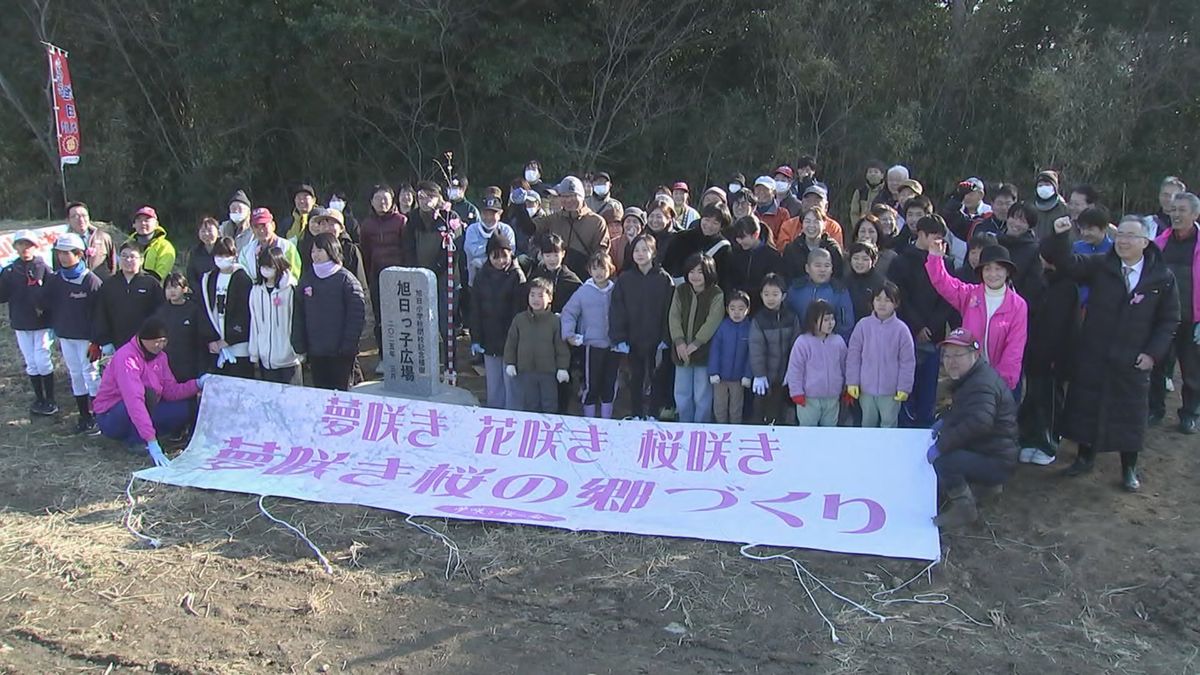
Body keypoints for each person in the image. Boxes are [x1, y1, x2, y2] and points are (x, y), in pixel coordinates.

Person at [1041, 215, 1180, 491]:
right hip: (1095, 352)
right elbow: (1068, 264)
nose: (1123, 241)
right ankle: (1084, 457)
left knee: (1130, 415)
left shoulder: (1161, 276)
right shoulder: (1102, 266)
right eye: (1120, 235)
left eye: (1131, 236)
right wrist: (1060, 237)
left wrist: (1153, 353)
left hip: (1134, 359)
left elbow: (1169, 320)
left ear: (1145, 241)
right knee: (1086, 408)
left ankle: (1129, 468)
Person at [925, 327, 1019, 527]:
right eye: (947, 355)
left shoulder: (981, 385)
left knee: (945, 461)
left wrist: (942, 446)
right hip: (992, 450)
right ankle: (987, 487)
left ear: (975, 354)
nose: (951, 361)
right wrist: (946, 421)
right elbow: (966, 413)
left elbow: (979, 422)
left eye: (958, 355)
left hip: (997, 459)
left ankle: (964, 509)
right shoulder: (972, 378)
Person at [94, 317, 207, 464]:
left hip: (146, 409)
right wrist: (151, 440)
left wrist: (198, 384)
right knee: (147, 395)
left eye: (164, 341)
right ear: (143, 339)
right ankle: (137, 440)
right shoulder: (127, 358)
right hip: (113, 414)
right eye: (156, 341)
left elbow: (170, 390)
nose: (160, 345)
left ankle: (146, 433)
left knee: (186, 408)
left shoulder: (161, 357)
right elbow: (134, 400)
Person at [926, 242, 1028, 394]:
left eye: (998, 269)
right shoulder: (970, 295)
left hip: (1001, 384)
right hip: (969, 376)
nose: (993, 274)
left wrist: (999, 383)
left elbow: (1014, 349)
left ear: (1007, 272)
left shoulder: (1018, 305)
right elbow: (944, 283)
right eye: (987, 269)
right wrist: (935, 257)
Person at [887, 215, 956, 428]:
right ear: (922, 235)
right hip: (905, 334)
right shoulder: (901, 261)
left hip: (934, 336)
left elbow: (948, 298)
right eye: (935, 238)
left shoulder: (947, 263)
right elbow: (900, 298)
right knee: (905, 389)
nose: (939, 243)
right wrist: (917, 326)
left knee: (928, 391)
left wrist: (932, 326)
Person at [1017, 249, 1079, 466]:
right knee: (1033, 396)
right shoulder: (1038, 283)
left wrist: (1060, 357)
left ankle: (1048, 443)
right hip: (1034, 352)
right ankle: (1028, 440)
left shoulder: (1069, 287)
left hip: (1055, 357)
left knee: (1051, 400)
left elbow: (1069, 328)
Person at [1149, 191, 1200, 434]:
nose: (1176, 215)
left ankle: (1189, 414)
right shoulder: (1160, 243)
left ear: (1195, 214)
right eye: (1173, 210)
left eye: (1182, 210)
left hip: (1193, 319)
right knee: (1156, 364)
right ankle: (1154, 409)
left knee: (1192, 370)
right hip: (1163, 318)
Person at [43, 233, 105, 432]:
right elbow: (47, 304)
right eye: (59, 253)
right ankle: (84, 416)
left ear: (79, 254)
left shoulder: (91, 281)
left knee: (91, 374)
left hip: (87, 339)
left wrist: (96, 341)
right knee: (75, 374)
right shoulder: (55, 279)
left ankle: (99, 416)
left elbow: (100, 314)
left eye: (66, 253)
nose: (61, 257)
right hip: (65, 335)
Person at [609, 235, 674, 420]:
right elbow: (617, 309)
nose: (640, 254)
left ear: (653, 253)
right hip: (633, 337)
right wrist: (619, 337)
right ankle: (636, 413)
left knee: (656, 377)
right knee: (635, 377)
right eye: (637, 250)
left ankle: (653, 413)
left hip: (657, 338)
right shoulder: (625, 279)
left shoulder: (663, 279)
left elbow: (670, 311)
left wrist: (666, 337)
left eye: (645, 249)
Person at [293, 232, 367, 391]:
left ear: (331, 251)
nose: (315, 255)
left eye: (320, 250)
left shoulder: (346, 280)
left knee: (342, 395)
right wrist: (300, 344)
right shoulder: (307, 279)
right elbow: (298, 314)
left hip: (340, 353)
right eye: (313, 251)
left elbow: (356, 317)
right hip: (316, 351)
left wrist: (348, 346)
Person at [0, 231, 55, 415]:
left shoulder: (43, 267)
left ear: (36, 246)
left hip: (41, 322)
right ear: (15, 247)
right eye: (21, 244)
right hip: (20, 321)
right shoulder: (9, 270)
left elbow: (52, 292)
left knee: (43, 359)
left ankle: (51, 399)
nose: (25, 248)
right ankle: (39, 398)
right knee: (30, 361)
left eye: (29, 244)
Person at [846, 283, 915, 428]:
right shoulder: (863, 326)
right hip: (866, 390)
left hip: (891, 392)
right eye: (878, 299)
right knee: (867, 424)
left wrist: (904, 387)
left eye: (887, 300)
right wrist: (852, 381)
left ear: (896, 303)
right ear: (872, 302)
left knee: (889, 424)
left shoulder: (901, 330)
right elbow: (853, 356)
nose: (882, 304)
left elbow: (907, 362)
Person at [470, 236, 527, 409]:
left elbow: (520, 312)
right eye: (495, 256)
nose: (501, 261)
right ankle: (495, 419)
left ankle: (513, 418)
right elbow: (475, 310)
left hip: (512, 339)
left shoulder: (517, 276)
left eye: (504, 256)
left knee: (513, 384)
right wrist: (476, 338)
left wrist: (517, 339)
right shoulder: (481, 277)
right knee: (494, 385)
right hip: (489, 337)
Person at [668, 253, 725, 423]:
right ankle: (684, 425)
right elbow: (674, 316)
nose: (695, 276)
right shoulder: (681, 290)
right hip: (681, 351)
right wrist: (679, 341)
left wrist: (695, 343)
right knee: (682, 393)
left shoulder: (716, 293)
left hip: (704, 353)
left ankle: (701, 428)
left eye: (700, 271)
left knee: (702, 395)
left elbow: (713, 321)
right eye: (691, 271)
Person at [562, 251, 619, 418]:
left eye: (603, 268)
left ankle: (606, 420)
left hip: (614, 346)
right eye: (595, 269)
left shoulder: (616, 290)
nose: (599, 273)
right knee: (591, 385)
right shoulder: (583, 291)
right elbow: (569, 313)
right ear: (589, 270)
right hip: (591, 346)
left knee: (610, 384)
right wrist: (569, 334)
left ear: (611, 269)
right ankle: (589, 420)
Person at [504, 278, 570, 413]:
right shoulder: (520, 319)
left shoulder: (554, 321)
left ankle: (549, 430)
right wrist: (510, 363)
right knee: (530, 404)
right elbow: (511, 343)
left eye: (541, 295)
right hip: (526, 371)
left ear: (550, 298)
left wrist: (562, 368)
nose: (536, 299)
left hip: (548, 373)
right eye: (532, 295)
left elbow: (561, 347)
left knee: (549, 404)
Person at [359, 184, 408, 361]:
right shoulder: (366, 225)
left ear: (392, 200)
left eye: (386, 198)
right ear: (371, 202)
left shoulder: (401, 221)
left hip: (399, 278)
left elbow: (407, 249)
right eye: (378, 199)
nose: (382, 202)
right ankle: (384, 357)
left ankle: (403, 355)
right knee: (381, 320)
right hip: (377, 277)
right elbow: (365, 252)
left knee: (401, 318)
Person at [94, 242, 164, 356]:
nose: (128, 260)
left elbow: (160, 313)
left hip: (144, 342)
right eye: (124, 256)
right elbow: (101, 313)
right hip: (116, 342)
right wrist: (104, 341)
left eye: (132, 257)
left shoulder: (151, 283)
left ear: (141, 260)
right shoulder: (109, 284)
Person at [786, 299, 848, 427]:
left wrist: (847, 388)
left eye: (832, 319)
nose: (830, 323)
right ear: (813, 321)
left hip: (832, 397)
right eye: (825, 320)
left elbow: (845, 366)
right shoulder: (803, 342)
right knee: (808, 430)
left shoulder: (838, 342)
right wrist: (796, 392)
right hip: (808, 399)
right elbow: (795, 370)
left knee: (830, 431)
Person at [200, 237, 254, 379]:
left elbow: (245, 313)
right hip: (216, 345)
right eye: (219, 255)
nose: (222, 259)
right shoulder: (209, 278)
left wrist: (229, 339)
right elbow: (206, 309)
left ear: (234, 255)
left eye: (226, 255)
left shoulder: (242, 278)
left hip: (239, 346)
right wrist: (211, 339)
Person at [534, 176, 609, 279]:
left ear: (582, 196)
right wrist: (519, 207)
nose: (568, 200)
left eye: (573, 195)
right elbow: (530, 228)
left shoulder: (596, 222)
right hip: (555, 279)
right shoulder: (553, 219)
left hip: (584, 279)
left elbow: (600, 255)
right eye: (564, 196)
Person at [749, 274, 799, 425]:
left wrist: (792, 371)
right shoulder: (759, 319)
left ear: (783, 296)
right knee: (760, 409)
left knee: (782, 410)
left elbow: (796, 346)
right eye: (766, 294)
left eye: (775, 294)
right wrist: (759, 375)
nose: (770, 298)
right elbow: (756, 348)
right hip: (765, 376)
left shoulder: (792, 317)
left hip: (785, 374)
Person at [247, 246, 302, 385]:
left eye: (270, 266)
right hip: (265, 359)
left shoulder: (290, 289)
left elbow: (296, 321)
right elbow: (254, 322)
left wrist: (298, 351)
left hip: (289, 359)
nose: (266, 269)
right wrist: (254, 352)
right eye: (263, 266)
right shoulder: (256, 291)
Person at [154, 272, 213, 388]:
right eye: (169, 288)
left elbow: (202, 339)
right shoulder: (160, 312)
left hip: (190, 365)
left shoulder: (194, 310)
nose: (172, 291)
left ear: (185, 289)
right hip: (167, 364)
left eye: (175, 287)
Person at [785, 249, 854, 343]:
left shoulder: (839, 290)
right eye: (817, 265)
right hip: (800, 345)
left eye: (827, 266)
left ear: (832, 269)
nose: (822, 270)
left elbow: (846, 325)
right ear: (807, 268)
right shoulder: (795, 289)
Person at [661, 202, 734, 287]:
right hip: (677, 290)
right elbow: (666, 266)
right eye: (707, 220)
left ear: (721, 226)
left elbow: (723, 279)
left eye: (715, 223)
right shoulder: (681, 237)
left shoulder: (723, 248)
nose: (709, 225)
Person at [707, 290, 753, 424]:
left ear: (748, 310)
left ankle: (735, 430)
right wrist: (713, 371)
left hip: (738, 378)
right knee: (719, 406)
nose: (736, 312)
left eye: (741, 309)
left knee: (736, 407)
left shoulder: (750, 328)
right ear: (727, 310)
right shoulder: (722, 327)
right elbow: (715, 350)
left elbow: (751, 354)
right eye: (732, 308)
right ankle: (720, 429)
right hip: (720, 377)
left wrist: (747, 375)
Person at [728, 216, 786, 309]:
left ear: (755, 235)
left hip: (761, 306)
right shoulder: (735, 252)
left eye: (743, 237)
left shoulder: (772, 256)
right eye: (737, 238)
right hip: (738, 306)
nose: (739, 241)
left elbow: (773, 282)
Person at [463, 196, 517, 288]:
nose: (488, 217)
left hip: (503, 279)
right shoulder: (472, 229)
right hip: (477, 281)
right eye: (485, 213)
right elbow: (473, 252)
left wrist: (489, 253)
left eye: (493, 214)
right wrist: (495, 248)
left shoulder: (506, 230)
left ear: (500, 214)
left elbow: (509, 253)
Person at [997, 202, 1046, 303]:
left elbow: (1034, 286)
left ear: (1029, 225)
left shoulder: (1034, 249)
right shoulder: (994, 241)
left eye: (1023, 221)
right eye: (1014, 218)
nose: (1017, 223)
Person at [782, 206, 845, 282]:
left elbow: (838, 277)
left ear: (824, 224)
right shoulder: (792, 249)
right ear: (802, 225)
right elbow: (787, 278)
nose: (811, 225)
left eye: (816, 222)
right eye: (807, 221)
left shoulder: (832, 248)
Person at [526, 233, 583, 314]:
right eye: (548, 256)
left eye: (556, 255)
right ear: (542, 255)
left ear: (563, 254)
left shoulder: (570, 278)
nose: (552, 259)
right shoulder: (536, 274)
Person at [239, 208, 302, 278]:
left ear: (273, 225)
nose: (261, 230)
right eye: (256, 227)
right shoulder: (246, 251)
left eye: (264, 225)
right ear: (252, 229)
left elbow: (295, 277)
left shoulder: (288, 247)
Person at [65, 201, 115, 277]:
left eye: (84, 215)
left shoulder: (104, 237)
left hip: (101, 285)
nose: (81, 219)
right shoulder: (64, 242)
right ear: (68, 220)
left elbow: (112, 265)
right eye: (75, 216)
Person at [127, 206, 176, 282]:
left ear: (156, 224)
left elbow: (159, 275)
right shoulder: (127, 245)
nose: (143, 223)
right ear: (134, 224)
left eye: (147, 220)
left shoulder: (165, 246)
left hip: (154, 290)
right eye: (139, 220)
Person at [846, 242, 887, 322]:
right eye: (856, 258)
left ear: (873, 261)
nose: (860, 262)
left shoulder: (881, 282)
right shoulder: (845, 281)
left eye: (865, 259)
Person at [849, 160, 888, 227]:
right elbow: (854, 213)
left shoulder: (886, 192)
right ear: (866, 175)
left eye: (876, 172)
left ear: (882, 175)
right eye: (870, 172)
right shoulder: (860, 192)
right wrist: (858, 228)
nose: (873, 174)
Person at [1032, 170, 1069, 239]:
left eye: (1047, 185)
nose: (1043, 188)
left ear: (1054, 188)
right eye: (1040, 185)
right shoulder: (1031, 207)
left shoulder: (1063, 208)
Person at [752, 176, 789, 245]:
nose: (761, 192)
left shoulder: (782, 214)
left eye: (765, 189)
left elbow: (783, 240)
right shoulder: (749, 211)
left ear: (774, 192)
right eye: (758, 189)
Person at [186, 216, 220, 289]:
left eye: (210, 231)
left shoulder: (225, 250)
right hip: (201, 293)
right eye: (203, 231)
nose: (206, 234)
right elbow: (191, 276)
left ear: (218, 232)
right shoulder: (195, 252)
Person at [611, 206, 645, 273]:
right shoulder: (614, 243)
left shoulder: (648, 242)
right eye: (628, 221)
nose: (631, 225)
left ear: (641, 226)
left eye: (635, 222)